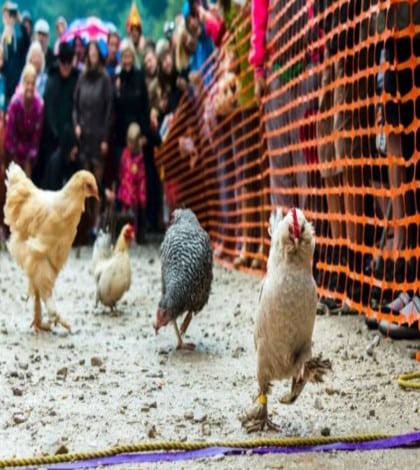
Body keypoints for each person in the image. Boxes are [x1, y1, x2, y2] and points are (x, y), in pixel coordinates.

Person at [73, 40, 113, 233]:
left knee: (96, 183)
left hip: (99, 136)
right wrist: (77, 125)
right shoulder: (82, 78)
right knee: (84, 183)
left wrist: (106, 137)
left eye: (96, 53)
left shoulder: (105, 79)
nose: (93, 56)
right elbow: (75, 106)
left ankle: (96, 223)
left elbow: (109, 110)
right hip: (84, 135)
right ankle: (86, 222)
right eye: (90, 53)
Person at [41, 41, 79, 187]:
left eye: (69, 61)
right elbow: (48, 110)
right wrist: (56, 134)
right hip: (53, 139)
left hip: (72, 139)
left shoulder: (76, 78)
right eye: (63, 61)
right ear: (58, 61)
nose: (66, 65)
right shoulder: (51, 79)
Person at [4, 63, 44, 178]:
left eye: (33, 83)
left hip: (28, 154)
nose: (30, 87)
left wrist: (29, 157)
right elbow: (10, 133)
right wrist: (15, 156)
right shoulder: (14, 103)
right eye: (27, 83)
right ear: (23, 83)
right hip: (14, 150)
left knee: (27, 180)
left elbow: (36, 137)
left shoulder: (39, 105)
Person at [117, 122, 147, 243]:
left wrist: (142, 196)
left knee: (134, 216)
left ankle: (134, 236)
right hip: (125, 190)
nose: (130, 144)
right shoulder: (125, 154)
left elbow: (142, 178)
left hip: (135, 193)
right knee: (124, 215)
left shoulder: (140, 157)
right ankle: (124, 237)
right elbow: (121, 171)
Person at [1, 1, 30, 108]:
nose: (8, 19)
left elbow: (27, 42)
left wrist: (20, 20)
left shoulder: (19, 39)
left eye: (10, 15)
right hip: (6, 88)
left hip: (19, 86)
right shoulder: (1, 40)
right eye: (6, 15)